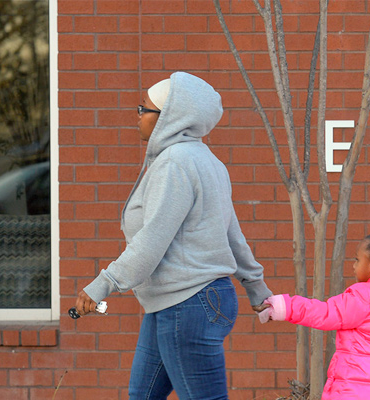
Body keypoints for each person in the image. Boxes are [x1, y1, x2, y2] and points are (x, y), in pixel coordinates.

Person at [74, 71, 273, 400]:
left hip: (188, 304)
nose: (137, 117)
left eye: (143, 110)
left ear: (168, 117)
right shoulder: (207, 161)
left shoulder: (175, 164)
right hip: (180, 302)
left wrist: (103, 283)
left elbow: (152, 242)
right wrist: (255, 286)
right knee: (143, 395)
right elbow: (232, 232)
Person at [259, 223, 370, 399]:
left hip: (354, 390)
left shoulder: (365, 295)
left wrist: (284, 307)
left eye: (357, 260)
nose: (354, 266)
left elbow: (327, 313)